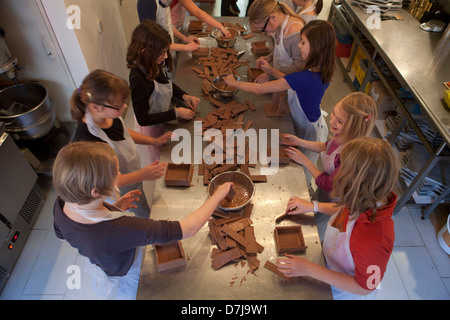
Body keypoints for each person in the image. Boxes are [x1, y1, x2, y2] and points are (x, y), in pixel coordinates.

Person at [53, 141, 233, 299]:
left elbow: (63, 236)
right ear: (95, 192)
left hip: (104, 259)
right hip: (125, 269)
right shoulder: (120, 229)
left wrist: (114, 208)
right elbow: (189, 229)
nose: (119, 172)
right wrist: (217, 195)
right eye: (115, 173)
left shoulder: (63, 202)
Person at [278, 137, 399, 300]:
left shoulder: (376, 240)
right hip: (330, 262)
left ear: (356, 183)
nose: (337, 173)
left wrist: (310, 269)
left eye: (342, 170)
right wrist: (313, 206)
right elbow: (345, 211)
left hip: (341, 291)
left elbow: (365, 287)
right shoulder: (368, 198)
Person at [223, 20, 336, 169]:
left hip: (308, 129)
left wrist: (234, 83)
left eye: (303, 43)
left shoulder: (304, 78)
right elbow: (291, 82)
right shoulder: (322, 68)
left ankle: (308, 187)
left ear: (316, 48)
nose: (298, 45)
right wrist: (270, 71)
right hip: (313, 122)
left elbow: (259, 89)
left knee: (304, 167)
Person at [71, 69, 170, 219]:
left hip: (132, 175)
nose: (124, 107)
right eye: (118, 106)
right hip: (116, 190)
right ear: (95, 107)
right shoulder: (88, 142)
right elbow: (104, 183)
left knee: (141, 206)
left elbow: (124, 132)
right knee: (131, 215)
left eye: (123, 102)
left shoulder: (108, 116)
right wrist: (141, 174)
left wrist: (154, 141)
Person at [281, 92, 377, 238]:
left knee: (317, 224)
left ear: (354, 127)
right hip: (324, 193)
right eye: (333, 114)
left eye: (340, 121)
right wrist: (299, 141)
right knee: (314, 205)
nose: (332, 122)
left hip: (334, 202)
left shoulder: (351, 158)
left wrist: (305, 160)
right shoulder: (344, 135)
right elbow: (327, 146)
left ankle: (317, 237)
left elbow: (328, 184)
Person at [127, 21, 199, 164]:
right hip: (151, 127)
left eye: (166, 51)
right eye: (162, 52)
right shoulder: (137, 80)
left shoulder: (152, 62)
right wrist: (176, 113)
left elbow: (166, 83)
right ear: (145, 52)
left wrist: (184, 95)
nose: (166, 56)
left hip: (162, 117)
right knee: (162, 159)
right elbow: (143, 119)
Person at [137, 0, 231, 52]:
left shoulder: (164, 2)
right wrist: (184, 47)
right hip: (155, 58)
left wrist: (185, 39)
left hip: (166, 49)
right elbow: (150, 43)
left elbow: (167, 27)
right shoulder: (147, 3)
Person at [248, 0, 306, 83]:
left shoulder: (294, 33)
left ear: (273, 18)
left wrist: (271, 74)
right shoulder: (279, 24)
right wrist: (269, 57)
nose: (263, 32)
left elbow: (299, 68)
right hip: (280, 78)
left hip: (290, 84)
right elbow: (285, 51)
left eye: (262, 29)